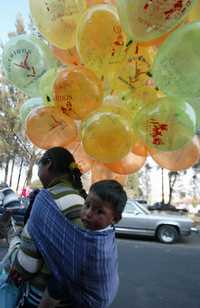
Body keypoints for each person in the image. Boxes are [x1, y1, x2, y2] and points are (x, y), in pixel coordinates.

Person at [7, 147, 87, 307]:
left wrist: (13, 240)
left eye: (39, 163)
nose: (37, 167)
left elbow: (26, 266)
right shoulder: (81, 200)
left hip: (41, 298)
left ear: (48, 163)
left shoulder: (47, 199)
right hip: (72, 296)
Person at [38, 179, 127, 308]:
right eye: (87, 205)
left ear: (115, 219)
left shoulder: (95, 246)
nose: (88, 213)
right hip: (108, 294)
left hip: (90, 301)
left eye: (99, 212)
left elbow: (67, 268)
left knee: (57, 281)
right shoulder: (108, 232)